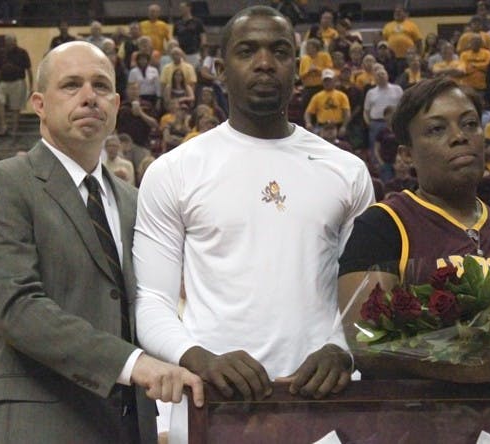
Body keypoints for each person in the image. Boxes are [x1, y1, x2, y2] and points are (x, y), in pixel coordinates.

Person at [134, 6, 375, 442]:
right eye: (248, 51)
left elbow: (364, 297)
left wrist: (345, 352)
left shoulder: (347, 170)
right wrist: (199, 358)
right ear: (220, 70)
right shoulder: (174, 170)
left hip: (325, 399)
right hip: (216, 400)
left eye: (279, 51)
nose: (264, 62)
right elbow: (151, 302)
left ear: (297, 68)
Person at [0, 41, 203, 444]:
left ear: (117, 103)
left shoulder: (133, 200)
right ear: (38, 103)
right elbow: (18, 309)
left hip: (128, 426)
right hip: (36, 426)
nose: (89, 97)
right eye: (71, 85)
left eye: (101, 86)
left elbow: (152, 305)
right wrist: (134, 363)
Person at [338, 77, 490, 383]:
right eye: (437, 129)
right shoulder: (384, 224)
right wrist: (469, 363)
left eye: (470, 124)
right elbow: (364, 341)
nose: (459, 137)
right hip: (427, 422)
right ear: (406, 155)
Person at [0, 34, 32, 137]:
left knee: (15, 107)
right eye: (7, 42)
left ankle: (14, 129)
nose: (9, 44)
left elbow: (29, 69)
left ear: (15, 42)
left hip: (17, 82)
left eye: (11, 42)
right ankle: (3, 126)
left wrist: (31, 86)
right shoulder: (1, 53)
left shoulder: (22, 52)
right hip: (4, 81)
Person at [304, 68, 350, 137]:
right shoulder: (317, 96)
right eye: (325, 81)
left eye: (329, 80)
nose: (327, 83)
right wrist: (308, 123)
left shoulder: (342, 96)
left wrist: (344, 126)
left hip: (337, 126)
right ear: (322, 82)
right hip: (322, 126)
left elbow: (347, 112)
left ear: (334, 81)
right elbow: (308, 112)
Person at [174, 2, 206, 68]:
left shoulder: (197, 22)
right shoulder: (177, 23)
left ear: (189, 8)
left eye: (183, 8)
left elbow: (203, 37)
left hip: (194, 53)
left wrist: (202, 51)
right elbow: (175, 38)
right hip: (181, 54)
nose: (181, 9)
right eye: (180, 8)